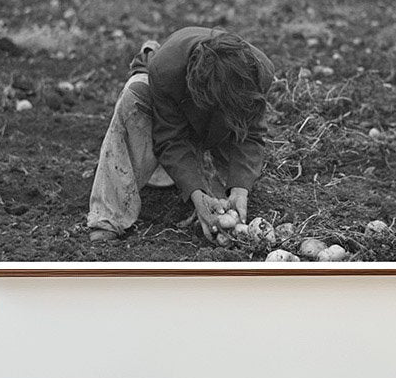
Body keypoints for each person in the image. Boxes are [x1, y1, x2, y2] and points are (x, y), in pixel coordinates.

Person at [88, 26, 275, 243]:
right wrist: (197, 194)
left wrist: (240, 189)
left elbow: (251, 135)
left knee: (230, 192)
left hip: (217, 112)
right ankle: (108, 216)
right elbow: (170, 138)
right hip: (168, 91)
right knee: (136, 92)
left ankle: (186, 176)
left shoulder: (258, 72)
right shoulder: (167, 70)